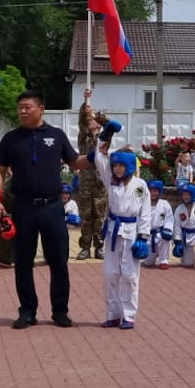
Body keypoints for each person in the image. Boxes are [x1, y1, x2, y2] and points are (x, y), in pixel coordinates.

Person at [0, 89, 93, 330]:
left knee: (59, 261)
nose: (22, 111)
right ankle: (27, 311)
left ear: (41, 109)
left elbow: (76, 162)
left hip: (53, 207)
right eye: (20, 108)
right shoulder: (11, 138)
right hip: (23, 207)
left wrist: (96, 155)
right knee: (23, 262)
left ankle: (60, 311)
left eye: (27, 107)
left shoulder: (56, 136)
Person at [95, 138, 151, 329]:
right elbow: (99, 158)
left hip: (132, 233)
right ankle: (112, 314)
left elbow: (145, 212)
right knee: (110, 274)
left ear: (129, 166)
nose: (117, 169)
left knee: (130, 276)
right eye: (115, 165)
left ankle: (129, 316)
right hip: (113, 231)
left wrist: (143, 237)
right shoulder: (110, 181)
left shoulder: (140, 185)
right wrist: (105, 135)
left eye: (121, 165)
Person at [76, 90, 108, 261]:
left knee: (100, 216)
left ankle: (100, 246)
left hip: (100, 182)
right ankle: (85, 247)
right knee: (86, 216)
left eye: (94, 120)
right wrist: (85, 101)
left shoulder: (104, 137)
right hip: (86, 182)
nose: (91, 122)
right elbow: (81, 119)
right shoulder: (84, 137)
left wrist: (97, 114)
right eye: (89, 121)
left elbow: (110, 123)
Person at [143, 180, 174, 270]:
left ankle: (163, 260)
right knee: (148, 263)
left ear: (159, 192)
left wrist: (168, 229)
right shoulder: (143, 204)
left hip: (160, 233)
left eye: (155, 191)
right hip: (147, 236)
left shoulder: (164, 204)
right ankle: (152, 256)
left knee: (165, 238)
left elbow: (169, 219)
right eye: (151, 191)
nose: (153, 193)